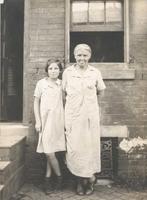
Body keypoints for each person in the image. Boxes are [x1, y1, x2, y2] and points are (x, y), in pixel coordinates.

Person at [62, 44, 106, 195]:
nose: (82, 58)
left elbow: (100, 91)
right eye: (79, 55)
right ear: (74, 56)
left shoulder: (95, 72)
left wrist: (89, 107)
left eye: (85, 55)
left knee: (89, 149)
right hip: (73, 118)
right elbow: (63, 94)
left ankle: (90, 180)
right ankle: (80, 181)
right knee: (75, 149)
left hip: (89, 118)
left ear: (89, 56)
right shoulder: (68, 73)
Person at [34, 59, 66, 195]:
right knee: (48, 151)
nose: (53, 71)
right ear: (47, 70)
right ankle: (59, 177)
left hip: (58, 121)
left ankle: (47, 180)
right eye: (51, 68)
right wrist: (38, 121)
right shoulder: (41, 84)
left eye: (56, 68)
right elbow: (36, 102)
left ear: (60, 71)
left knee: (51, 150)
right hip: (45, 121)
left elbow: (65, 102)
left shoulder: (61, 84)